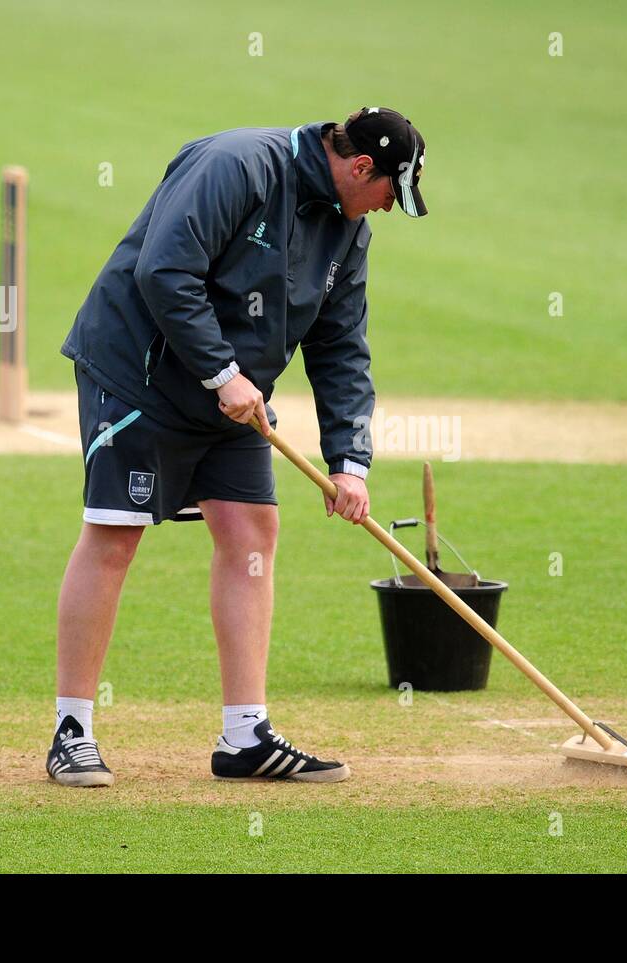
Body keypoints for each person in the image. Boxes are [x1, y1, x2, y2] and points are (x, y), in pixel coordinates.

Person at [46, 108, 428, 786]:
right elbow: (165, 270)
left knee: (253, 528)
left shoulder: (348, 233)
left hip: (231, 392)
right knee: (116, 534)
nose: (386, 210)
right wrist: (222, 373)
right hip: (139, 370)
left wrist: (350, 462)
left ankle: (244, 736)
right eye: (389, 193)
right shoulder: (239, 166)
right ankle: (71, 729)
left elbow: (342, 348)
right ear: (361, 167)